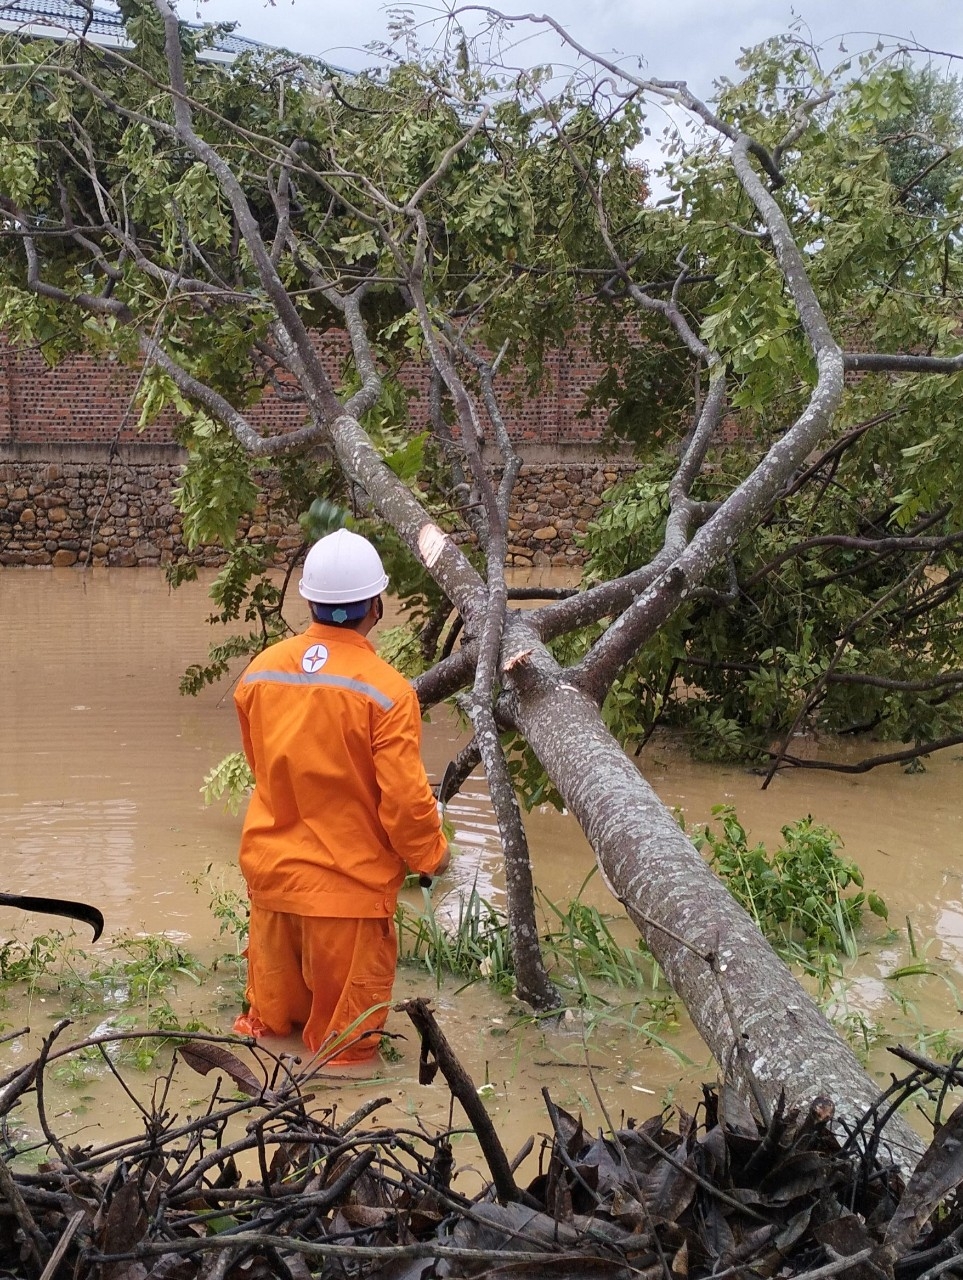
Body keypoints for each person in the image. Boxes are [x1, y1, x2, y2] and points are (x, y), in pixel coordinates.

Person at [232, 528, 450, 1064]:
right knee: (345, 1057)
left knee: (268, 1041)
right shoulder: (388, 692)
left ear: (309, 600)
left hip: (273, 889)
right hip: (347, 903)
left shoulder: (260, 673)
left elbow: (263, 767)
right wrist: (434, 856)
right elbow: (404, 802)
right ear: (375, 605)